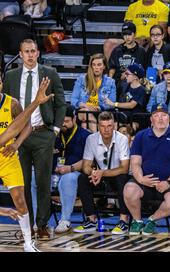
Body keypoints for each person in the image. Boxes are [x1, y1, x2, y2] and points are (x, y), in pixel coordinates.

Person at [3, 39, 66, 240]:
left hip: (43, 133)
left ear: (38, 53)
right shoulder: (11, 76)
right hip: (18, 136)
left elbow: (61, 103)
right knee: (22, 184)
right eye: (26, 52)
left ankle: (42, 225)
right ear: (20, 55)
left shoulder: (50, 73)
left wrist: (55, 129)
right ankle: (26, 226)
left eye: (33, 51)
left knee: (43, 182)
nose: (30, 55)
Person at [0, 77, 52, 252]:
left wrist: (16, 144)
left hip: (7, 157)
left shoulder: (11, 103)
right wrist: (36, 102)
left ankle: (28, 242)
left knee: (20, 200)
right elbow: (11, 131)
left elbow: (23, 126)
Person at [124, 103, 170, 235]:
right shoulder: (141, 136)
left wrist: (169, 182)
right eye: (156, 115)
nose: (160, 118)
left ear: (169, 118)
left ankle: (151, 220)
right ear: (151, 119)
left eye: (164, 115)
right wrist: (141, 179)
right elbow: (135, 163)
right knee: (129, 190)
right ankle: (137, 221)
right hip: (145, 181)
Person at [74, 112, 131, 235]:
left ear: (114, 126)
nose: (106, 129)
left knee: (123, 178)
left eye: (109, 126)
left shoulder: (122, 139)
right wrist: (93, 173)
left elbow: (124, 168)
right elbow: (85, 166)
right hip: (100, 177)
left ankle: (123, 220)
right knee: (83, 178)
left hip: (117, 176)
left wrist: (102, 173)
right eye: (103, 126)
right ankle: (91, 219)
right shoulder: (91, 139)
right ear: (98, 126)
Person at [53, 106, 91, 234]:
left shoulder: (85, 136)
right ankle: (38, 220)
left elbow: (88, 160)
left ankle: (65, 220)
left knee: (67, 179)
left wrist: (71, 168)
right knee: (35, 178)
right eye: (61, 121)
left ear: (74, 119)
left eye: (67, 121)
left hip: (75, 171)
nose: (63, 124)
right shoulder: (53, 134)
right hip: (54, 172)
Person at [71, 53, 116, 132]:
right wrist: (85, 105)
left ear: (104, 66)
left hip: (100, 111)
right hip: (83, 110)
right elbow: (73, 100)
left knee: (85, 124)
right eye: (94, 65)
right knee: (85, 111)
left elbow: (112, 102)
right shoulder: (81, 79)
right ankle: (97, 136)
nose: (96, 68)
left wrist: (100, 107)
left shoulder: (110, 82)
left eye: (99, 65)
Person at [108, 22, 146, 98]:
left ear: (135, 34)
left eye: (129, 34)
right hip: (119, 84)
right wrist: (110, 84)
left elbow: (143, 71)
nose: (127, 37)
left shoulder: (141, 51)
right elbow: (112, 69)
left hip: (135, 84)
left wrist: (129, 75)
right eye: (124, 35)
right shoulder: (117, 50)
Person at [105, 63, 149, 130]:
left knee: (127, 129)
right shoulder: (125, 85)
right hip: (123, 116)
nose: (125, 76)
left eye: (127, 74)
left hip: (135, 119)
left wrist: (114, 104)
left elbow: (131, 105)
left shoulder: (141, 90)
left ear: (135, 77)